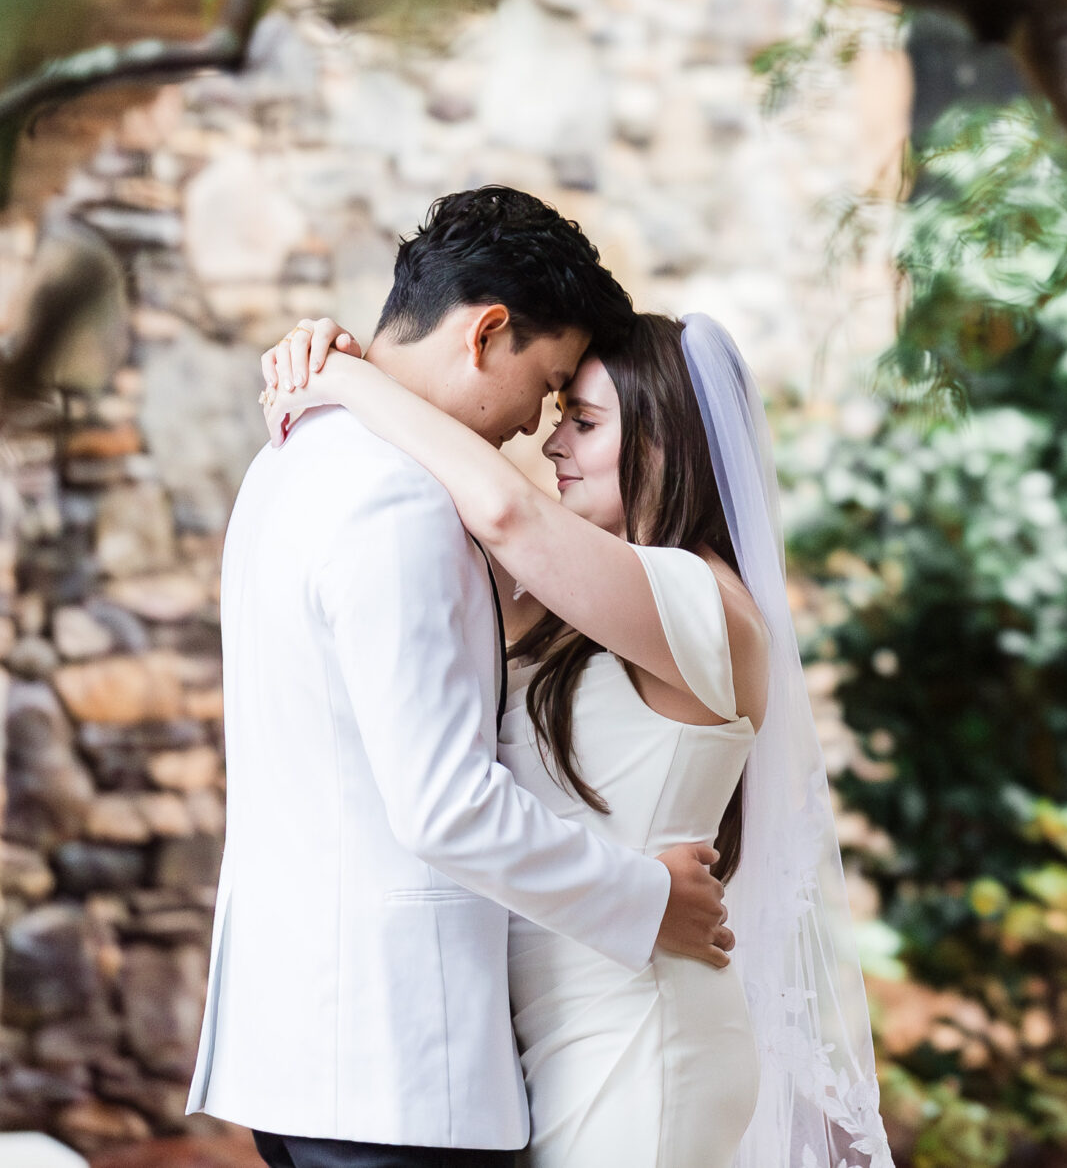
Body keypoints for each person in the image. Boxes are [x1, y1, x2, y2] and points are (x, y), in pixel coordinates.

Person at [254, 301, 892, 1168]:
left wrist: (350, 377)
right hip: (554, 1035)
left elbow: (500, 513)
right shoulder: (593, 601)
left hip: (640, 1033)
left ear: (667, 443)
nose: (553, 444)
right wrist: (326, 344)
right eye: (560, 417)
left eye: (584, 422)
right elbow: (440, 523)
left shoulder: (704, 604)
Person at [187, 187, 736, 1168]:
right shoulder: (397, 500)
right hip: (395, 1062)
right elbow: (443, 805)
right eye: (550, 381)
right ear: (488, 333)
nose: (537, 429)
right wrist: (645, 898)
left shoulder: (294, 456)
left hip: (316, 1051)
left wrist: (348, 371)